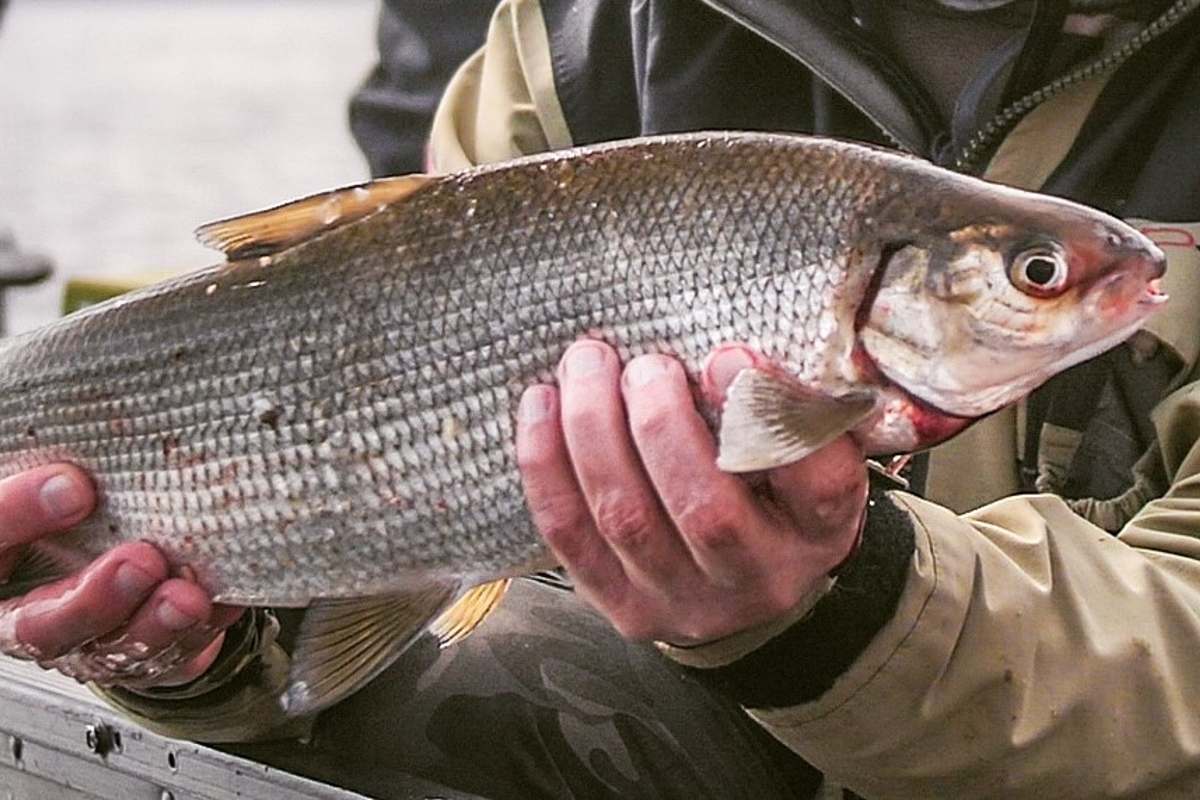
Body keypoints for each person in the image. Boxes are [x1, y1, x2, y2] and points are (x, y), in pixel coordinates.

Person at [2, 0, 1200, 797]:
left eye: (1036, 274)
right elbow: (398, 521)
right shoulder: (592, 34)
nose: (1114, 285)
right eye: (1038, 275)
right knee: (451, 680)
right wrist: (217, 648)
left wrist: (849, 605)